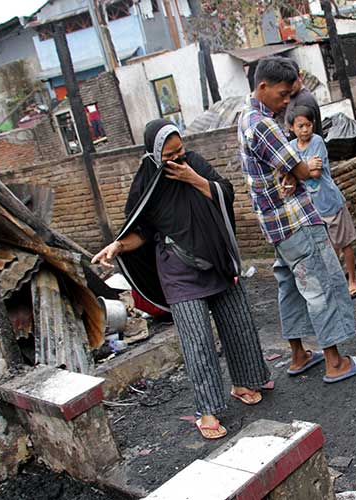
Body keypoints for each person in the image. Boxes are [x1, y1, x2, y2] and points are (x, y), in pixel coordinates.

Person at [92, 119, 270, 441]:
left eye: (180, 151)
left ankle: (244, 382)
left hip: (216, 261)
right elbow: (140, 231)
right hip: (179, 272)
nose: (177, 159)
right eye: (169, 156)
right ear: (154, 153)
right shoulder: (147, 182)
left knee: (239, 324)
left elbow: (224, 193)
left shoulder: (195, 164)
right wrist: (119, 245)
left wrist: (194, 178)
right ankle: (208, 411)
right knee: (197, 341)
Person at [238, 56, 356, 384]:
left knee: (292, 287)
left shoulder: (245, 118)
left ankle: (299, 355)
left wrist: (292, 172)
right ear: (263, 86)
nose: (287, 102)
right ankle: (335, 362)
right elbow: (301, 168)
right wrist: (299, 170)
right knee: (321, 284)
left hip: (275, 225)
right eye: (283, 95)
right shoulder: (264, 125)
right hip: (296, 220)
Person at [288, 105, 356, 299]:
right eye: (300, 126)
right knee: (328, 247)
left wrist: (298, 173)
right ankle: (337, 281)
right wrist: (304, 170)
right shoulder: (292, 147)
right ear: (291, 128)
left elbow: (316, 172)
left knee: (344, 243)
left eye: (308, 125)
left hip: (330, 201)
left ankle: (352, 280)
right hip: (312, 206)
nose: (305, 130)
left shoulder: (317, 141)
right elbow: (297, 174)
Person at [283, 60, 322, 138]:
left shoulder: (304, 100)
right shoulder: (292, 97)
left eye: (292, 81)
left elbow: (305, 136)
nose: (289, 86)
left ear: (300, 76)